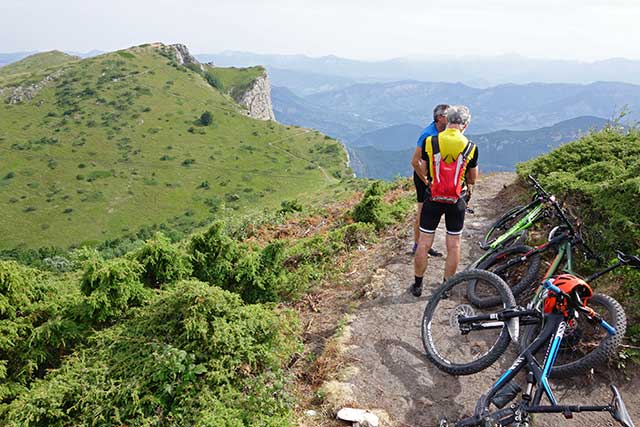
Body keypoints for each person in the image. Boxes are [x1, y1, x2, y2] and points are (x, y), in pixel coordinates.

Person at [411, 105, 478, 297]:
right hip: (456, 200)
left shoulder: (431, 141)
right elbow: (472, 178)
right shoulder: (470, 146)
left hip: (433, 196)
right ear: (465, 124)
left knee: (423, 242)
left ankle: (417, 285)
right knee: (454, 244)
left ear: (446, 120)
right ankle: (445, 288)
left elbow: (422, 167)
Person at [410, 104, 449, 257]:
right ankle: (417, 245)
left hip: (434, 177)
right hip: (423, 178)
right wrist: (426, 181)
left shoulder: (445, 131)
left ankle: (425, 245)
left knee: (431, 213)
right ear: (439, 118)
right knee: (422, 211)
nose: (450, 117)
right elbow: (414, 161)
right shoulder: (427, 134)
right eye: (447, 114)